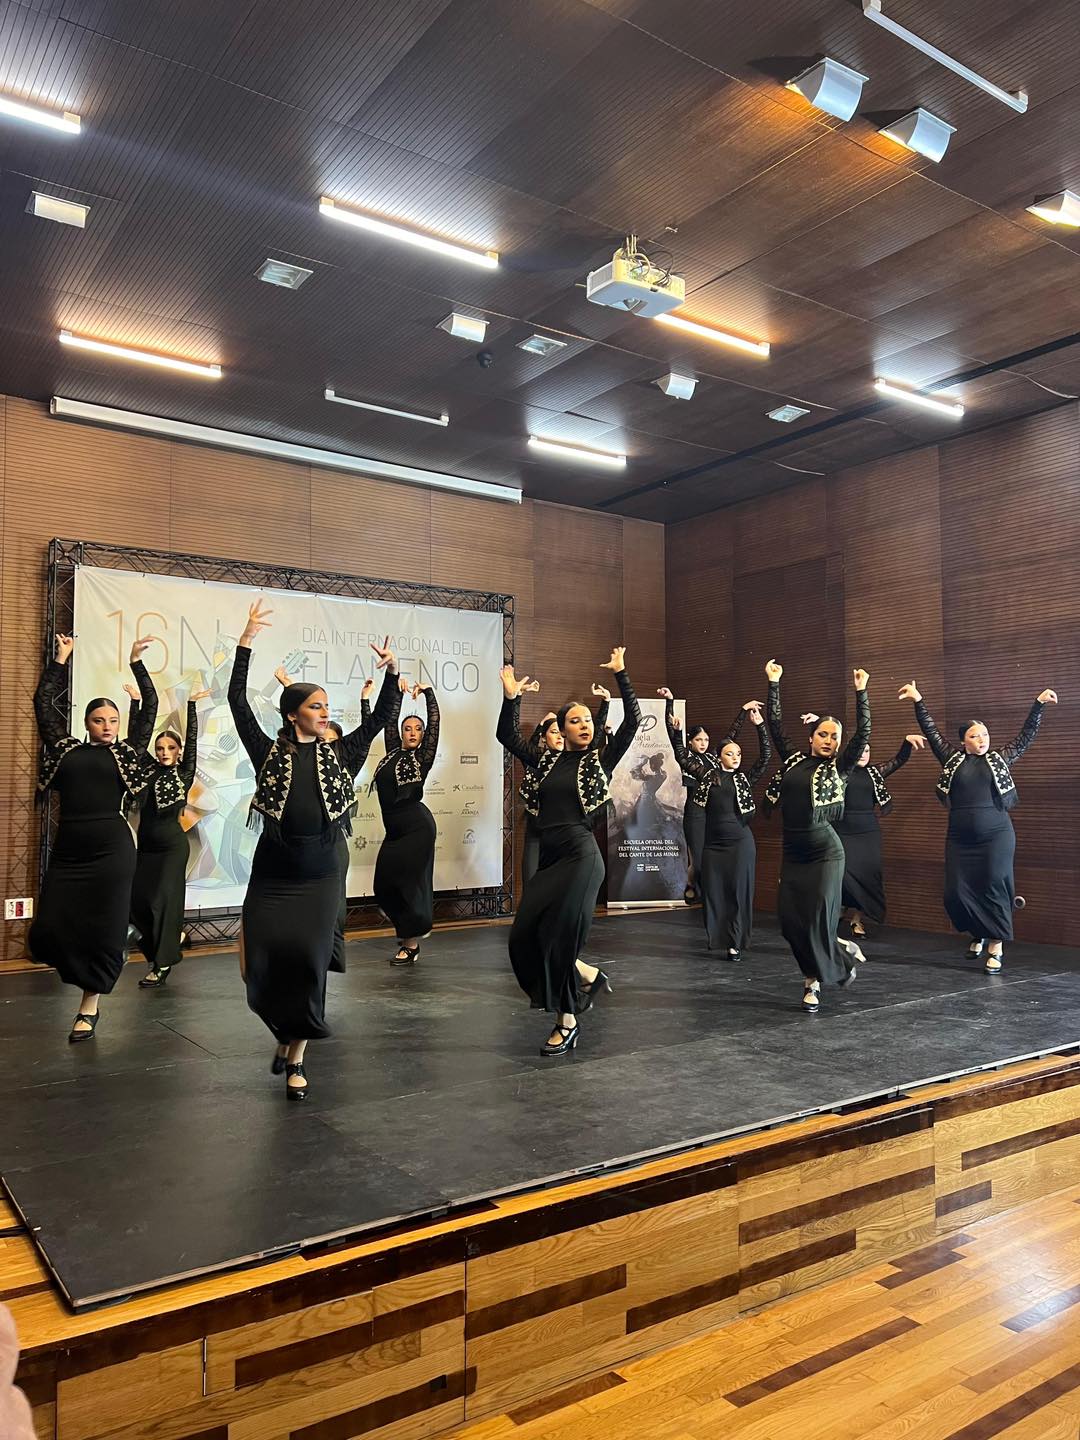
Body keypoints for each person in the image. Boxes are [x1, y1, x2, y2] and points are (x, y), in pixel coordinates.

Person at [229, 600, 401, 1098]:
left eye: (326, 707)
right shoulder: (268, 751)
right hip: (274, 872)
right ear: (293, 714)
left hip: (321, 873)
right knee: (259, 964)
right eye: (316, 707)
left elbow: (382, 716)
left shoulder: (342, 752)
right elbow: (237, 702)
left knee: (307, 961)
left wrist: (392, 672)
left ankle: (298, 1056)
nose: (325, 714)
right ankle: (284, 1032)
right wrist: (245, 641)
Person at [497, 648, 641, 1055]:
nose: (583, 725)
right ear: (559, 729)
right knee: (523, 937)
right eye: (574, 720)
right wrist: (511, 698)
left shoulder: (600, 760)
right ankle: (587, 975)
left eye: (587, 720)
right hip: (551, 860)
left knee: (559, 941)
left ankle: (567, 1020)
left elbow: (632, 722)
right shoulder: (545, 762)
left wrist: (621, 674)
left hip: (581, 858)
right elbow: (507, 736)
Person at [30, 633, 159, 1040]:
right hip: (70, 850)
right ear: (86, 723)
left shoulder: (126, 754)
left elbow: (150, 707)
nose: (107, 727)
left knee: (102, 931)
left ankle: (89, 1005)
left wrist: (137, 662)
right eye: (99, 721)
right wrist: (61, 658)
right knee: (49, 927)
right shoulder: (66, 749)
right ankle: (122, 934)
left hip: (111, 851)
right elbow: (42, 704)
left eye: (113, 721)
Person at [899, 680, 1057, 972]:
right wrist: (918, 699)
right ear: (964, 741)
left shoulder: (1000, 759)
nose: (982, 739)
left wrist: (1038, 704)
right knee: (956, 892)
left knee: (995, 887)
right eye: (974, 736)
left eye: (984, 734)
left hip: (996, 835)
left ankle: (996, 946)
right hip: (960, 838)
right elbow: (931, 731)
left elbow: (1025, 736)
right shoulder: (952, 759)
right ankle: (978, 932)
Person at [764, 660, 871, 1012]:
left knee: (815, 920)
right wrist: (774, 684)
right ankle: (840, 950)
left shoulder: (839, 767)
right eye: (823, 734)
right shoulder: (793, 760)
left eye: (834, 736)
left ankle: (812, 983)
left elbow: (863, 735)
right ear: (811, 737)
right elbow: (776, 727)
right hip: (794, 854)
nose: (829, 740)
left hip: (825, 853)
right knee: (790, 922)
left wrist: (861, 692)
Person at [662, 690, 771, 958]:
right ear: (719, 756)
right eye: (730, 753)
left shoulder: (744, 779)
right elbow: (681, 756)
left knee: (739, 893)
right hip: (714, 845)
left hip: (741, 843)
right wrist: (676, 731)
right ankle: (720, 937)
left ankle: (736, 942)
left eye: (738, 753)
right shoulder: (708, 776)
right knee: (715, 893)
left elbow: (765, 757)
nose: (736, 757)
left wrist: (759, 726)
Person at [801, 713, 926, 937]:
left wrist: (906, 743)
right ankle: (840, 908)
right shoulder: (838, 770)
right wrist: (820, 720)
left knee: (867, 875)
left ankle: (857, 919)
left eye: (867, 751)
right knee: (842, 874)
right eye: (860, 750)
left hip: (867, 832)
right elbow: (824, 749)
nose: (864, 754)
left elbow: (898, 761)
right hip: (841, 829)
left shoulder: (875, 773)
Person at [123, 686, 210, 987]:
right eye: (159, 748)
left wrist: (191, 705)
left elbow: (193, 740)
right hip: (146, 848)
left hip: (172, 848)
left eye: (170, 748)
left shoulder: (184, 773)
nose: (163, 752)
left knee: (162, 903)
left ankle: (161, 965)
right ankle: (165, 948)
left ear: (178, 751)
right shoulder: (148, 769)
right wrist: (135, 704)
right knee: (138, 903)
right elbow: (135, 743)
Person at [366, 679, 441, 965]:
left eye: (417, 729)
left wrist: (429, 694)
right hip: (395, 831)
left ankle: (410, 944)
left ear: (423, 735)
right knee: (383, 885)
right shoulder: (391, 752)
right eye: (407, 728)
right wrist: (396, 693)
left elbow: (435, 723)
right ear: (400, 733)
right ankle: (413, 924)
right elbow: (389, 720)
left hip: (417, 828)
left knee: (410, 887)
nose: (412, 732)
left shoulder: (423, 757)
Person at [521, 684, 610, 886]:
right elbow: (523, 744)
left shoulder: (578, 760)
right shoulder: (539, 758)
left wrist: (605, 704)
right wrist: (539, 725)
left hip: (566, 832)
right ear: (545, 737)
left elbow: (594, 738)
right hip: (538, 829)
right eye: (552, 732)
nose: (558, 738)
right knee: (533, 883)